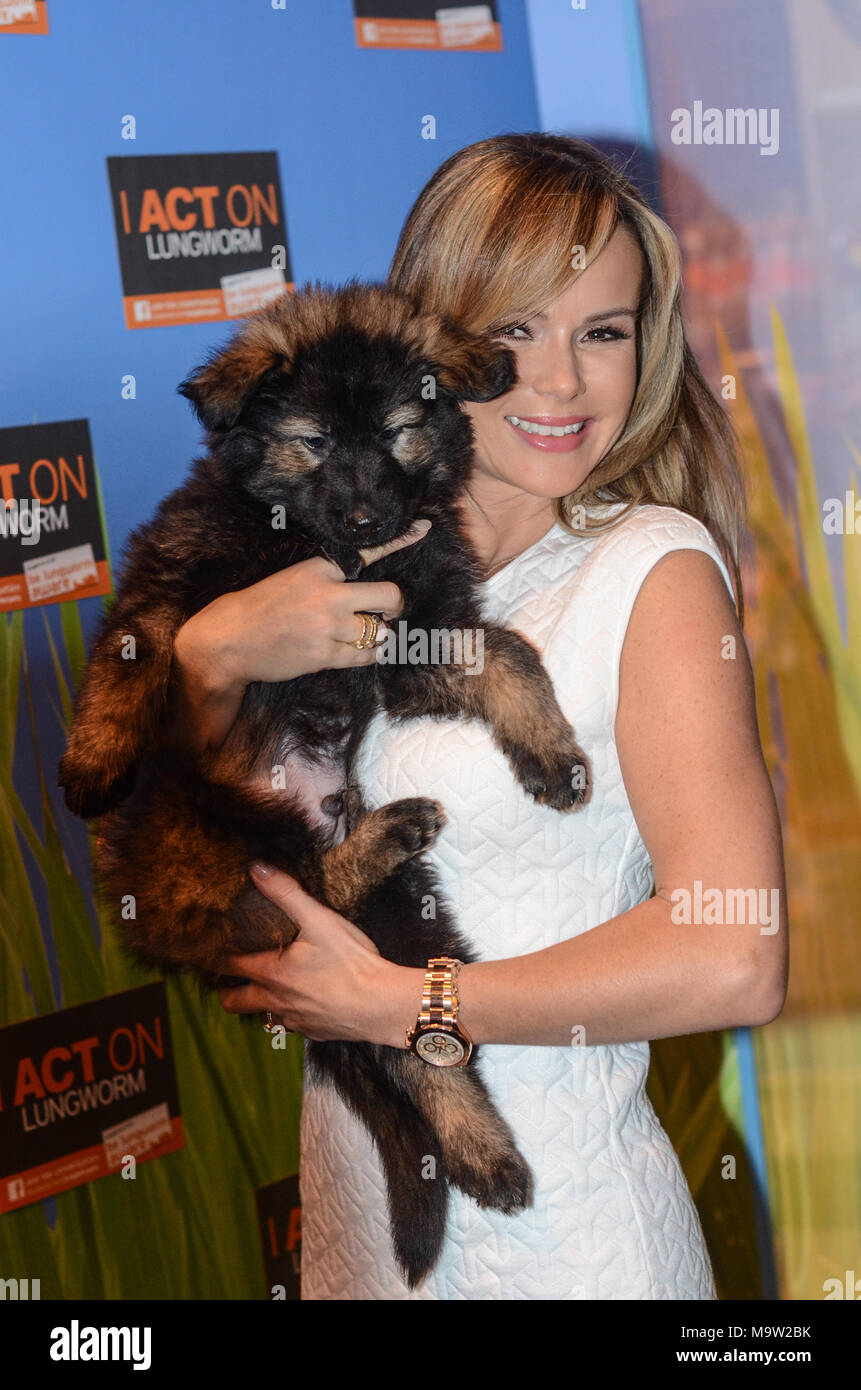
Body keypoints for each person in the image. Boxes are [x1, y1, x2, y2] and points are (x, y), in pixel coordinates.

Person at [169, 133, 788, 1300]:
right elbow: (231, 849)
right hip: (364, 1230)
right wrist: (210, 663)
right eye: (516, 332)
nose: (561, 383)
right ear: (433, 346)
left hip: (559, 1248)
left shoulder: (651, 573)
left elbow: (733, 955)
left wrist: (407, 1003)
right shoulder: (336, 551)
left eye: (604, 331)